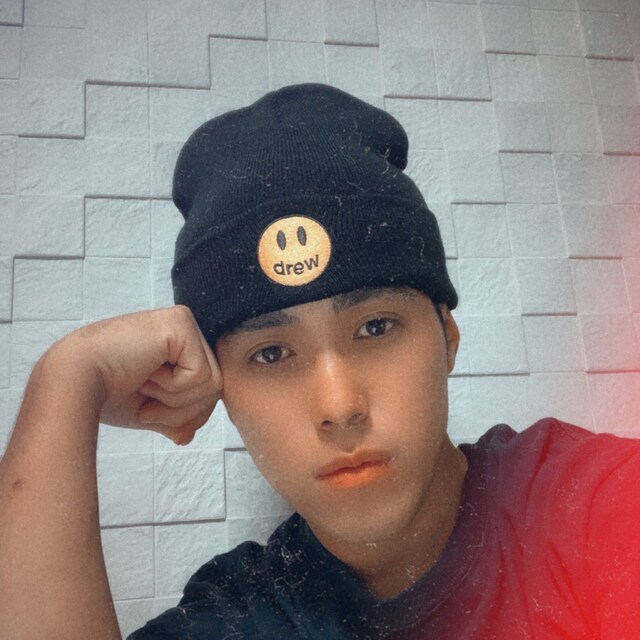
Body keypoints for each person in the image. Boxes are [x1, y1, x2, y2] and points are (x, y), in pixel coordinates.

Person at [0, 83, 639, 640]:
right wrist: (69, 376)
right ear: (221, 390)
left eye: (375, 326)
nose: (339, 407)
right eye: (271, 353)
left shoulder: (590, 509)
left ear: (446, 336)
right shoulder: (242, 616)